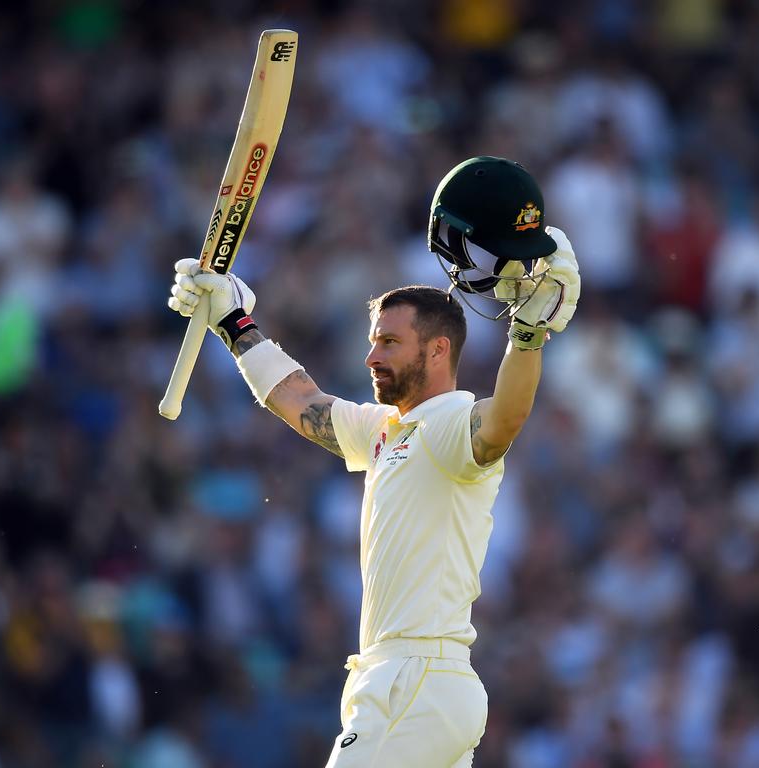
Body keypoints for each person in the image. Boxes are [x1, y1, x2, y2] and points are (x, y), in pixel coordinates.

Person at [166, 157, 581, 767]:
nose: (372, 358)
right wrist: (233, 320)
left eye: (389, 343)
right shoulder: (387, 430)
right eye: (372, 343)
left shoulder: (448, 424)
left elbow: (503, 422)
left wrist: (528, 336)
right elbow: (300, 400)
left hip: (416, 681)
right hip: (407, 684)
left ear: (438, 350)